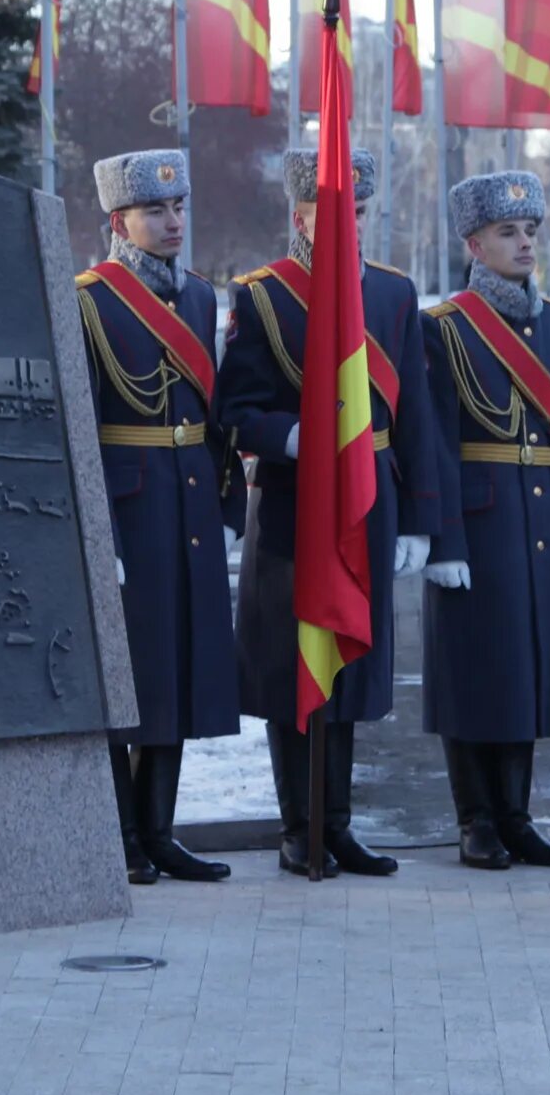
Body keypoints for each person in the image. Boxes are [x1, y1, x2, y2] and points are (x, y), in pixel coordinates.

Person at [216, 145, 439, 878]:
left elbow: (417, 419)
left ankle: (337, 824)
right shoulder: (264, 295)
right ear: (301, 213)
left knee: (348, 666)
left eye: (364, 213)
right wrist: (289, 436)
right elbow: (234, 411)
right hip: (291, 502)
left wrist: (418, 520)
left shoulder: (394, 295)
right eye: (342, 212)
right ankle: (296, 824)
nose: (356, 226)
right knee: (292, 666)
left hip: (368, 497)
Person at [418, 171, 550, 869]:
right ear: (474, 243)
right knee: (476, 670)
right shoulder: (442, 328)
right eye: (508, 232)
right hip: (477, 520)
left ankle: (518, 816)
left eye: (529, 231)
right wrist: (441, 536)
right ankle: (475, 819)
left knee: (530, 667)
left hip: (542, 519)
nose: (524, 242)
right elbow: (432, 439)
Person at [78, 150, 244, 883]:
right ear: (120, 221)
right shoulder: (88, 299)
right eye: (156, 211)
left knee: (178, 666)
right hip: (130, 505)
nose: (174, 222)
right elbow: (78, 429)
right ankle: (120, 836)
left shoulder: (202, 299)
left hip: (189, 504)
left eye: (179, 209)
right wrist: (97, 532)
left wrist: (228, 498)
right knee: (128, 672)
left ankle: (161, 830)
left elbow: (211, 418)